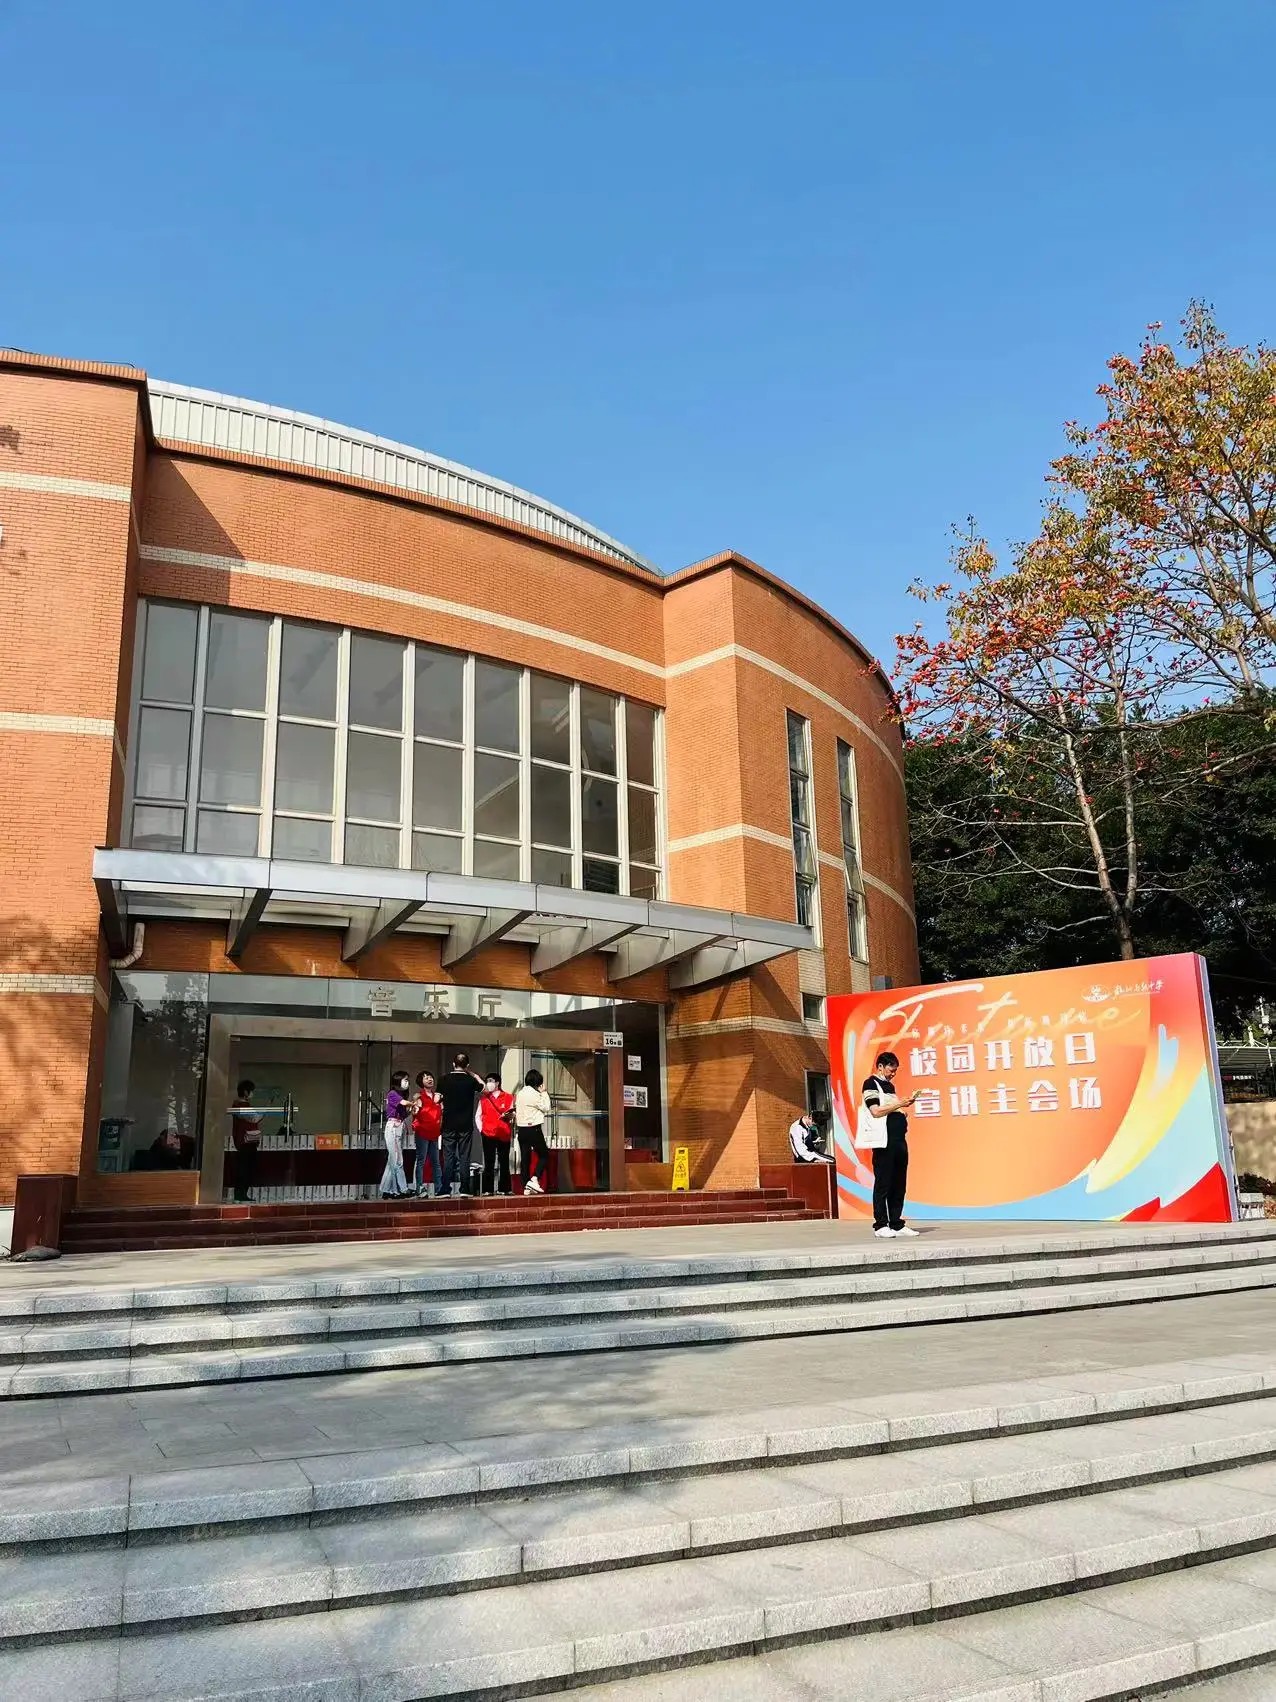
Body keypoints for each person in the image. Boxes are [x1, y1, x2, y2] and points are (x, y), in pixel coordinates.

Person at [861, 1051, 919, 1238]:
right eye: (891, 1070)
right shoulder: (871, 1084)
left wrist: (902, 1111)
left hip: (899, 1140)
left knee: (899, 1182)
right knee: (883, 1182)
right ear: (880, 1066)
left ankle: (896, 1222)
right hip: (884, 1141)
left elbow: (891, 1109)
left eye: (895, 1071)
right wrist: (899, 1104)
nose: (893, 1074)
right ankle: (880, 1225)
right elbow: (876, 1111)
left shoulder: (890, 1086)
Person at [439, 1052, 483, 1196]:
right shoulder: (470, 1081)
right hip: (465, 1124)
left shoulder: (443, 1079)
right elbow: (484, 1088)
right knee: (465, 1157)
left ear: (453, 1064)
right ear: (467, 1065)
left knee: (448, 1157)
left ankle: (445, 1189)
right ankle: (465, 1189)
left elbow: (437, 1099)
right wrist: (474, 1075)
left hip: (448, 1124)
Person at [515, 1067, 553, 1196]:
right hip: (533, 1128)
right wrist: (544, 1092)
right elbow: (546, 1107)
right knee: (544, 1155)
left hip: (521, 1130)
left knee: (525, 1159)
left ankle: (526, 1185)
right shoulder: (534, 1094)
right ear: (538, 1082)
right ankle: (535, 1178)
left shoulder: (520, 1093)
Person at [478, 1072, 516, 1195]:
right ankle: (487, 1189)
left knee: (504, 1161)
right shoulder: (484, 1099)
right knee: (489, 1161)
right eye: (487, 1081)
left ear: (497, 1083)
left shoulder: (508, 1097)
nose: (488, 1083)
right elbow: (478, 1116)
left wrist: (510, 1116)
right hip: (488, 1133)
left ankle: (505, 1188)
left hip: (503, 1132)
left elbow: (513, 1113)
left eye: (491, 1081)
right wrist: (481, 1130)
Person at [230, 1080, 264, 1202]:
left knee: (246, 1168)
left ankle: (242, 1194)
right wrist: (266, 1110)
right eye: (251, 1091)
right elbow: (254, 1119)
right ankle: (241, 1194)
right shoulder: (241, 1106)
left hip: (246, 1142)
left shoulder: (241, 1105)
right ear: (246, 1092)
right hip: (246, 1142)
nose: (252, 1094)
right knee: (245, 1169)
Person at [412, 1071, 444, 1198]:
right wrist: (416, 1105)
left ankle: (439, 1189)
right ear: (421, 1082)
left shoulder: (438, 1097)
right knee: (421, 1160)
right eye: (426, 1078)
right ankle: (419, 1188)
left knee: (436, 1162)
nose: (430, 1079)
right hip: (422, 1131)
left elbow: (441, 1113)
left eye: (431, 1077)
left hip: (434, 1132)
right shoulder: (418, 1096)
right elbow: (414, 1112)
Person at [380, 1070, 411, 1200]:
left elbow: (404, 1113)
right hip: (393, 1127)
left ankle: (386, 1189)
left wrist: (411, 1109)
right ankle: (401, 1189)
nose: (407, 1082)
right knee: (398, 1160)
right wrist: (414, 1102)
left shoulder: (400, 1095)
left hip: (399, 1126)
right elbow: (404, 1103)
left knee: (392, 1160)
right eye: (405, 1080)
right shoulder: (392, 1094)